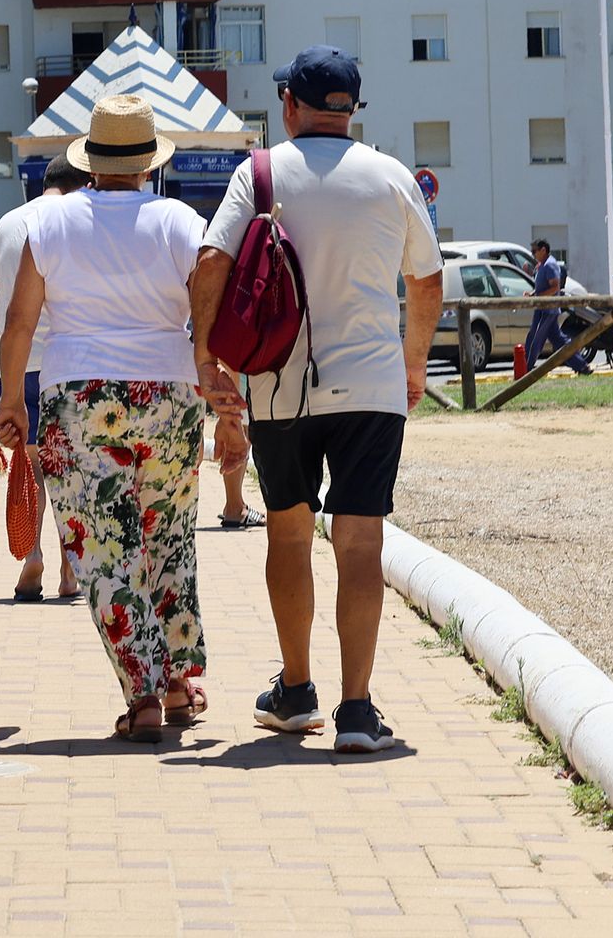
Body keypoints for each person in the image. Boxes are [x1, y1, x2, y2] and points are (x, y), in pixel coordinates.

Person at [190, 45, 444, 754]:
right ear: (352, 111)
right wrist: (413, 366)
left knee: (290, 533)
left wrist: (204, 358)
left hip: (278, 383)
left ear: (291, 106)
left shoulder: (261, 173)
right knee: (361, 543)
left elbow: (212, 262)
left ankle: (297, 690)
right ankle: (357, 711)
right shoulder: (392, 176)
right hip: (371, 386)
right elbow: (426, 282)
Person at [0, 95, 251, 744]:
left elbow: (22, 321)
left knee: (104, 551)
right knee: (167, 538)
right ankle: (177, 681)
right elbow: (210, 307)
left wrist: (11, 403)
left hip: (78, 399)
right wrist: (214, 380)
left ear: (91, 159)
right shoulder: (177, 221)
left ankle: (142, 691)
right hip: (168, 395)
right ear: (148, 163)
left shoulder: (48, 224)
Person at [0, 154, 90, 601]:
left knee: (29, 466)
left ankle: (32, 557)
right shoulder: (77, 218)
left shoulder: (6, 225)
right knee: (68, 469)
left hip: (12, 362)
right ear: (78, 185)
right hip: (65, 360)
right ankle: (71, 569)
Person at [523, 238, 592, 375]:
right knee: (559, 341)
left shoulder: (550, 265)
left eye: (534, 251)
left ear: (543, 250)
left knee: (534, 338)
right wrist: (533, 294)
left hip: (547, 310)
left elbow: (555, 287)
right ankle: (582, 366)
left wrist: (539, 297)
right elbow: (543, 286)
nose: (533, 254)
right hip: (544, 309)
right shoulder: (542, 265)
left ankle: (524, 370)